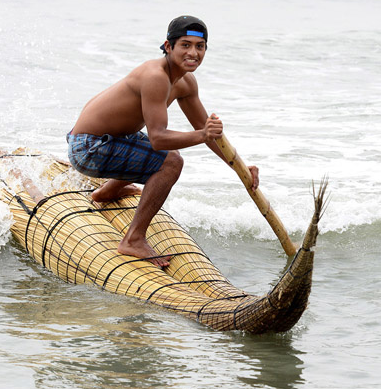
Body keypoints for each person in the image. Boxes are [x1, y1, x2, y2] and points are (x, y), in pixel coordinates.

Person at [67, 15, 259, 267]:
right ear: (168, 47)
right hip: (88, 147)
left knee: (158, 152)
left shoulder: (186, 82)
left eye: (199, 47)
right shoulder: (155, 76)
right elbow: (159, 139)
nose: (193, 53)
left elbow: (208, 134)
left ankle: (108, 191)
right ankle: (133, 240)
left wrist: (240, 168)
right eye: (185, 45)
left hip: (112, 139)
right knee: (171, 162)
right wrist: (203, 134)